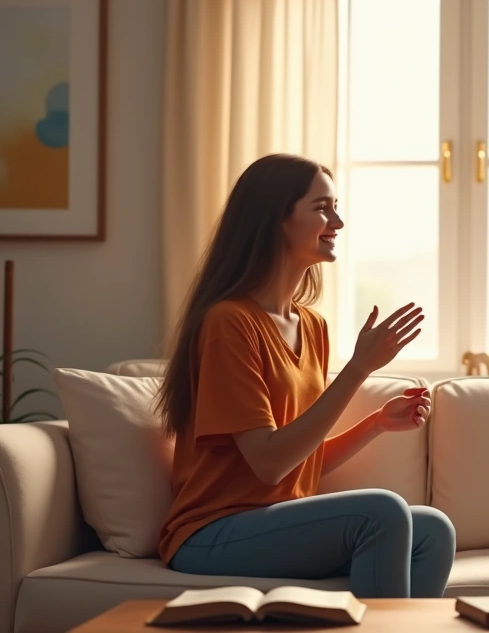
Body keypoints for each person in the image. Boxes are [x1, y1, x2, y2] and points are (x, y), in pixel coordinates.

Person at [154, 153, 455, 598]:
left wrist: (375, 424)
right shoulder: (228, 322)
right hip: (212, 533)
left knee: (433, 529)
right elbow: (269, 464)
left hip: (276, 523)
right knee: (383, 512)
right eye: (322, 208)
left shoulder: (312, 326)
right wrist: (358, 369)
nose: (338, 222)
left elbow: (299, 461)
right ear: (276, 219)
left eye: (336, 208)